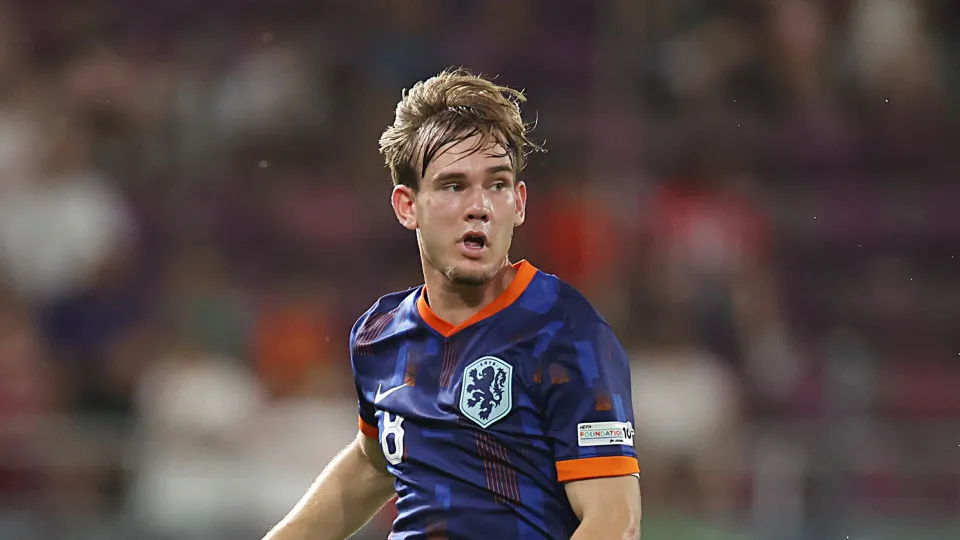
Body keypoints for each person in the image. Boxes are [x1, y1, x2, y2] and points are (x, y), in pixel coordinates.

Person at [263, 69, 642, 540]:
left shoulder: (565, 331)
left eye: (497, 184)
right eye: (453, 186)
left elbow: (614, 523)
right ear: (407, 206)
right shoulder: (380, 335)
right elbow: (373, 461)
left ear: (519, 203)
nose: (479, 206)